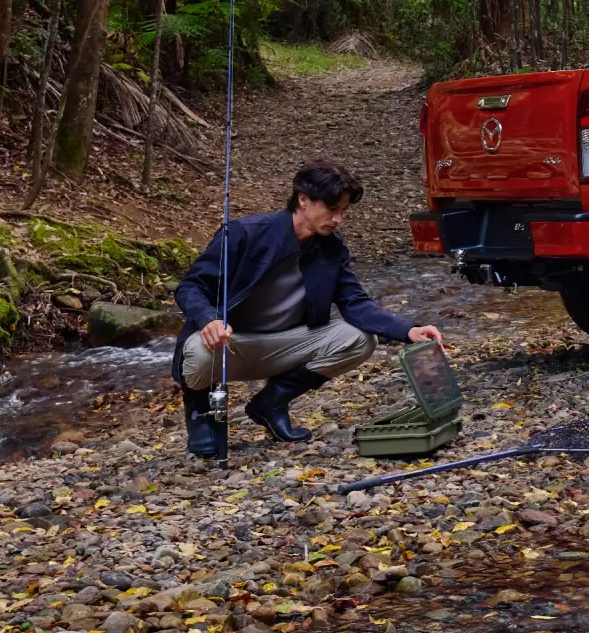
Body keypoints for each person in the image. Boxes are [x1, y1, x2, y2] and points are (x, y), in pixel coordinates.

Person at [172, 160, 445, 459]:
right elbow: (190, 287)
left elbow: (355, 302)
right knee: (197, 352)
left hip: (286, 344)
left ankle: (271, 402)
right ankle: (201, 415)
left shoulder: (331, 246)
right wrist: (209, 319)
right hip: (232, 343)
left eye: (343, 211)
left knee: (360, 339)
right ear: (303, 199)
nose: (338, 219)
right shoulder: (243, 233)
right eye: (332, 209)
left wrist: (407, 329)